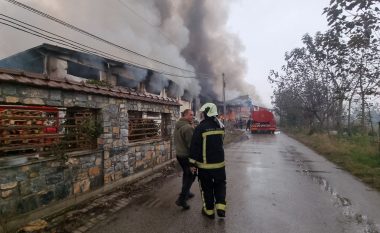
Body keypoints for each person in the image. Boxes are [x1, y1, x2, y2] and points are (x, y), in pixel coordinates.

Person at [189, 103, 226, 219]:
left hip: (205, 167)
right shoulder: (220, 126)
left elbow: (195, 146)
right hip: (220, 165)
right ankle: (220, 208)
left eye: (203, 112)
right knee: (220, 185)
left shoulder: (200, 127)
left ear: (206, 113)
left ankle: (209, 211)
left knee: (207, 188)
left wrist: (192, 163)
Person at [174, 109, 196, 210]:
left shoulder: (178, 124)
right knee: (191, 176)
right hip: (187, 156)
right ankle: (182, 199)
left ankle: (187, 192)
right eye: (191, 115)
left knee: (186, 174)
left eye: (193, 115)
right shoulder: (187, 128)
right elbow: (192, 146)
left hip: (179, 154)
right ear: (185, 115)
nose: (193, 116)